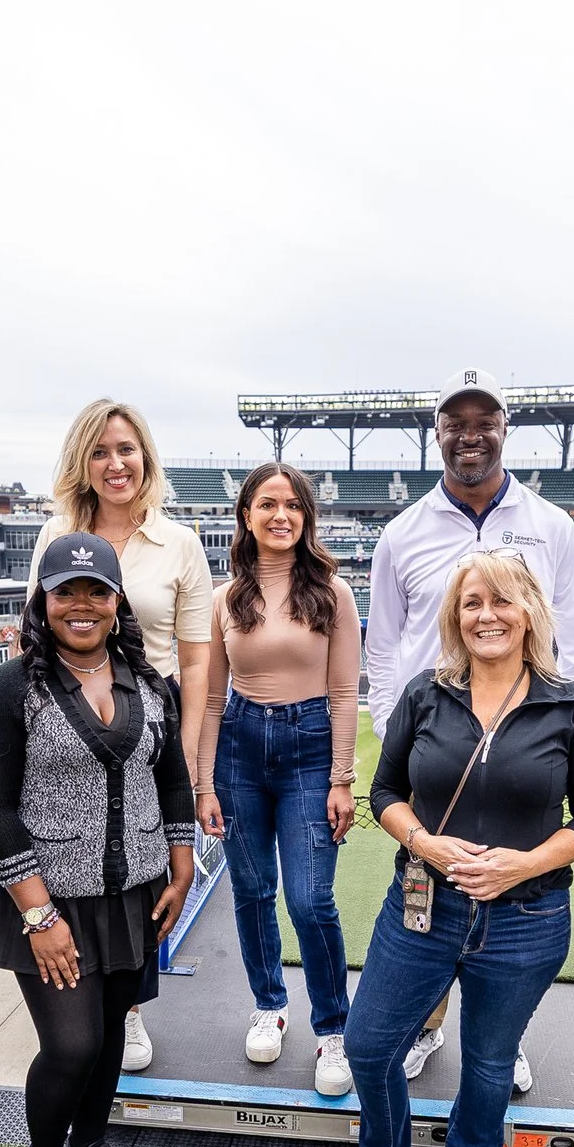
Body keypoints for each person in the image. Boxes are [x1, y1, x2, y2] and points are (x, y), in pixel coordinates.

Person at [305, 552, 574, 1147]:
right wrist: (429, 843)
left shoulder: (569, 703)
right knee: (369, 1042)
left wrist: (525, 863)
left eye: (502, 601)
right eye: (473, 602)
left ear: (530, 610)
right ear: (455, 616)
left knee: (488, 1061)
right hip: (422, 904)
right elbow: (383, 794)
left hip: (527, 917)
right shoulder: (425, 693)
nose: (487, 615)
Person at [363, 368, 574, 1093]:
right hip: (435, 745)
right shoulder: (402, 533)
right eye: (454, 422)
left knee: (515, 910)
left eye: (484, 420)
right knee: (427, 897)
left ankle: (503, 1034)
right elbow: (384, 648)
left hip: (530, 745)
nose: (470, 434)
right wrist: (404, 732)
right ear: (437, 434)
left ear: (504, 428)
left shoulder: (552, 525)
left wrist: (563, 737)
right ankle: (427, 1026)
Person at [0, 533, 198, 1147]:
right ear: (43, 600)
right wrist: (38, 913)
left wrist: (182, 855)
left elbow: (171, 777)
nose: (81, 604)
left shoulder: (150, 683)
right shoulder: (15, 688)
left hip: (134, 892)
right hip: (49, 900)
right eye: (66, 590)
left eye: (96, 591)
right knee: (70, 1045)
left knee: (107, 1038)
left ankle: (88, 1143)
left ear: (116, 601)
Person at [28, 401, 214, 1074]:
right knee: (79, 866)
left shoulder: (181, 543)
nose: (116, 463)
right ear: (84, 461)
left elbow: (196, 661)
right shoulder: (56, 530)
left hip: (151, 727)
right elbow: (35, 638)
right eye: (101, 451)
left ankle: (127, 1007)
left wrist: (189, 753)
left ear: (146, 458)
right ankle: (91, 1011)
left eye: (127, 449)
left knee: (145, 875)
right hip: (73, 725)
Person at [195, 463, 361, 1090]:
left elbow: (345, 692)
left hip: (311, 747)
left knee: (311, 899)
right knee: (252, 890)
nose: (281, 515)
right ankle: (269, 1007)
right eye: (267, 503)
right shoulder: (225, 598)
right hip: (239, 745)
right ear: (246, 515)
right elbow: (211, 700)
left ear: (306, 517)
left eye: (293, 505)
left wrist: (341, 778)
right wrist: (204, 783)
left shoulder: (333, 594)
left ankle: (332, 1030)